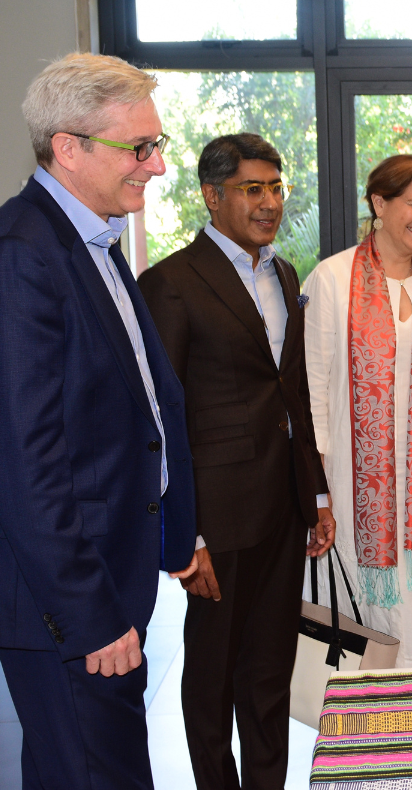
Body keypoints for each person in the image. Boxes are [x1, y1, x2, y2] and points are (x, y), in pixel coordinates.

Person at [0, 53, 197, 789]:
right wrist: (89, 614)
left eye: (158, 145)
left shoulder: (89, 240)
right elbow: (24, 463)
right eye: (138, 147)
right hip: (64, 595)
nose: (154, 166)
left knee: (78, 768)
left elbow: (141, 407)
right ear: (68, 147)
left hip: (106, 567)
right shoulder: (16, 255)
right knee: (98, 771)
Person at [137, 133, 336, 789]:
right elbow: (159, 419)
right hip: (216, 519)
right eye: (254, 189)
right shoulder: (169, 283)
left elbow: (293, 392)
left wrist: (317, 495)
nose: (270, 202)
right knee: (213, 674)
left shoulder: (280, 274)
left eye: (276, 188)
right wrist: (183, 531)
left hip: (282, 506)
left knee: (270, 668)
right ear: (212, 196)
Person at [303, 154, 412, 667]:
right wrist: (318, 489)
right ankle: (368, 720)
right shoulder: (332, 278)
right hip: (357, 478)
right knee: (366, 602)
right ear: (379, 203)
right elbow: (313, 391)